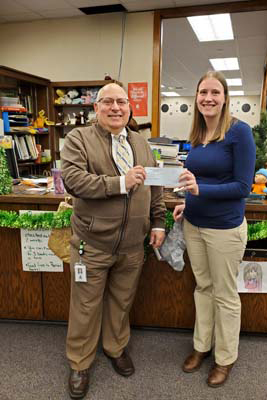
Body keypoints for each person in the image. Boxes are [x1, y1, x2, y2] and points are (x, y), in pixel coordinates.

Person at [61, 83, 166, 399]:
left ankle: (115, 347)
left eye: (122, 101)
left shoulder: (141, 142)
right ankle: (79, 363)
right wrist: (120, 182)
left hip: (132, 245)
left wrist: (158, 221)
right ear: (96, 107)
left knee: (122, 301)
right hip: (91, 243)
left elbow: (155, 186)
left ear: (130, 108)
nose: (116, 107)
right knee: (85, 305)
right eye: (108, 102)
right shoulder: (78, 139)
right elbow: (74, 180)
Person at [173, 71, 256, 387]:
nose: (208, 98)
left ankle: (225, 358)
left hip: (224, 229)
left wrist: (199, 191)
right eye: (202, 92)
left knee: (224, 295)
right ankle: (201, 346)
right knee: (202, 288)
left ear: (224, 97)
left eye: (214, 92)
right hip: (194, 224)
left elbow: (242, 186)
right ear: (196, 97)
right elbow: (196, 180)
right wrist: (187, 202)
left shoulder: (239, 132)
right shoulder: (197, 135)